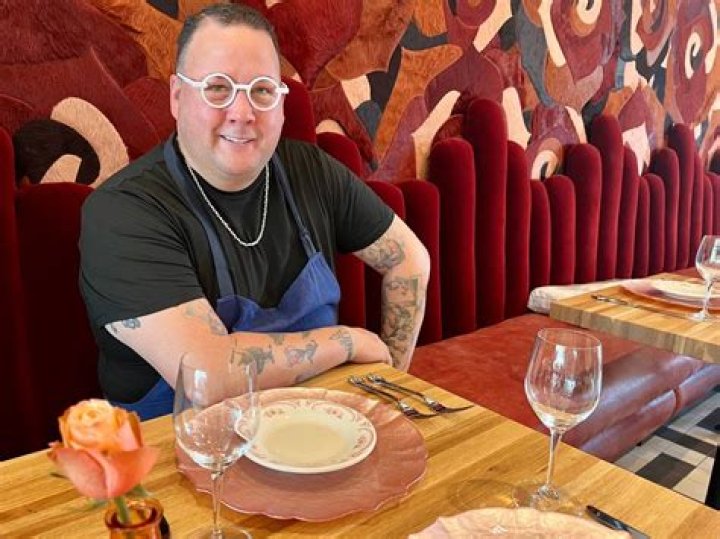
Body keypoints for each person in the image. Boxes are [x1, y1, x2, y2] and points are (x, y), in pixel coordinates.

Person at [79, 3, 430, 420]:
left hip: (318, 432)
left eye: (262, 90)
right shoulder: (124, 212)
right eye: (217, 87)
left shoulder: (311, 172)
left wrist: (388, 390)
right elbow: (207, 373)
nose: (242, 113)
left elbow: (410, 260)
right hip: (180, 446)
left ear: (280, 104)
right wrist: (347, 343)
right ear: (177, 96)